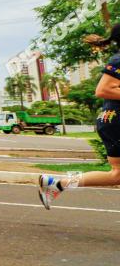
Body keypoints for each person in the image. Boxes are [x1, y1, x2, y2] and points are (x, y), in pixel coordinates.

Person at [39, 25, 120, 208]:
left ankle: (57, 184)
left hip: (110, 120)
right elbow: (103, 89)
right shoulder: (119, 60)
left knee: (117, 174)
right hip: (116, 121)